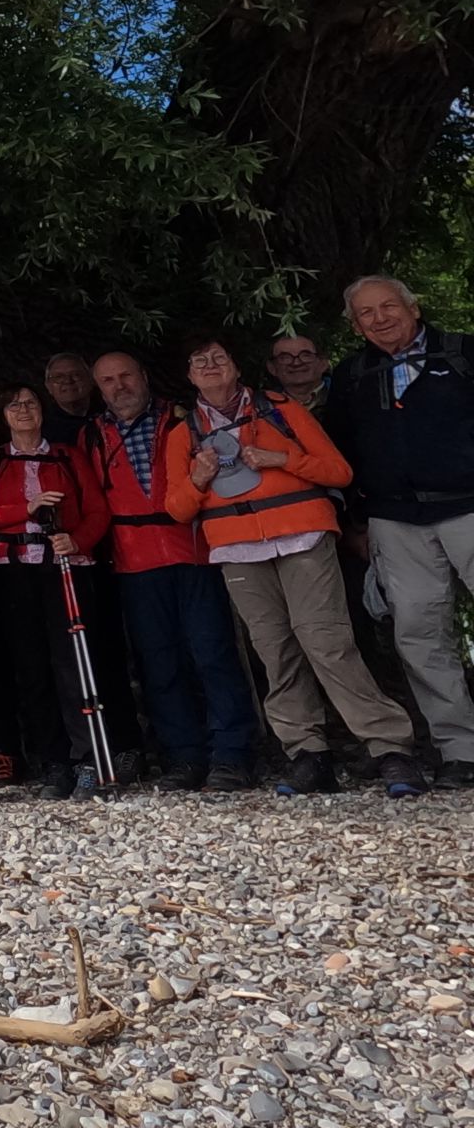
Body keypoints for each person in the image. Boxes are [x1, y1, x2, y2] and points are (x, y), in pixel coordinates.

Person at [165, 333, 426, 797]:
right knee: (275, 650)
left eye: (219, 357)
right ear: (189, 376)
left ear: (236, 367)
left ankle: (390, 748)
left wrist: (280, 458)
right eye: (199, 361)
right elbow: (178, 510)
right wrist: (198, 478)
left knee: (327, 641)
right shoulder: (181, 435)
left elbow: (338, 472)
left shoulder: (281, 409)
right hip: (238, 548)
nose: (210, 365)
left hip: (302, 535)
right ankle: (307, 753)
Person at [84, 351, 258, 791]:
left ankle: (232, 753)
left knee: (213, 653)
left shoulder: (185, 420)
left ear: (144, 375)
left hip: (193, 550)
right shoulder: (91, 435)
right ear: (98, 388)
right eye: (107, 380)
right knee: (158, 663)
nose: (118, 386)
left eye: (125, 375)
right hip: (133, 561)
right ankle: (183, 756)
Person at [326, 275, 474, 787]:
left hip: (469, 509)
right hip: (395, 521)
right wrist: (354, 522)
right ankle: (461, 750)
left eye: (389, 305)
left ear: (413, 307)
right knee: (419, 636)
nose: (380, 318)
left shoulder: (462, 354)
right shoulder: (352, 376)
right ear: (355, 325)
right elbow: (340, 455)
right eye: (366, 313)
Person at [0, 385, 115, 797]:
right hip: (12, 574)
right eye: (14, 404)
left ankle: (86, 759)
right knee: (31, 668)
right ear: (4, 414)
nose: (23, 410)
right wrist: (25, 509)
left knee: (73, 664)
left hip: (64, 567)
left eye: (30, 403)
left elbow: (98, 511)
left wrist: (78, 540)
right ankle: (54, 762)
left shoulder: (69, 456)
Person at [43, 352, 100, 445]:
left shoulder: (111, 414)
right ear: (48, 386)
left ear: (91, 380)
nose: (68, 381)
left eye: (76, 374)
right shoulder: (42, 429)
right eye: (58, 377)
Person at [269, 336, 331, 411]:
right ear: (272, 368)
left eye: (306, 355)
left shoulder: (344, 398)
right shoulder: (260, 408)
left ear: (323, 363)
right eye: (285, 357)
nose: (296, 363)